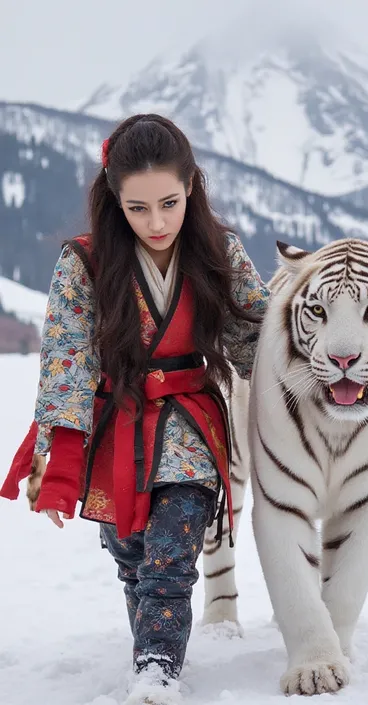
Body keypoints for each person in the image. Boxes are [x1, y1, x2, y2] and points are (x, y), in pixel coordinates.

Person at [0, 114, 269, 704]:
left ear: (192, 186)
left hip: (191, 422)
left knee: (172, 553)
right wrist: (58, 457)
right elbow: (67, 356)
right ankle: (152, 653)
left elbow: (256, 336)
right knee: (134, 557)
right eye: (138, 208)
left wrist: (315, 381)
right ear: (114, 199)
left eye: (169, 203)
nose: (156, 222)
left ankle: (155, 671)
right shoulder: (84, 262)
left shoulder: (221, 252)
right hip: (116, 427)